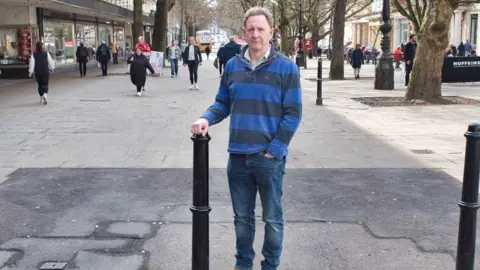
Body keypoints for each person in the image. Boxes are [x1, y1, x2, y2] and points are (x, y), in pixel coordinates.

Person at [190, 6, 302, 270]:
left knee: (273, 219)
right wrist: (205, 118)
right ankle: (243, 265)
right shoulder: (232, 66)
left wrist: (274, 150)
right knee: (242, 218)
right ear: (244, 32)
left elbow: (293, 114)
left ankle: (270, 266)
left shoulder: (286, 68)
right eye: (250, 29)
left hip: (268, 158)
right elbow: (222, 103)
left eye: (261, 29)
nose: (255, 34)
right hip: (238, 157)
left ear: (271, 32)